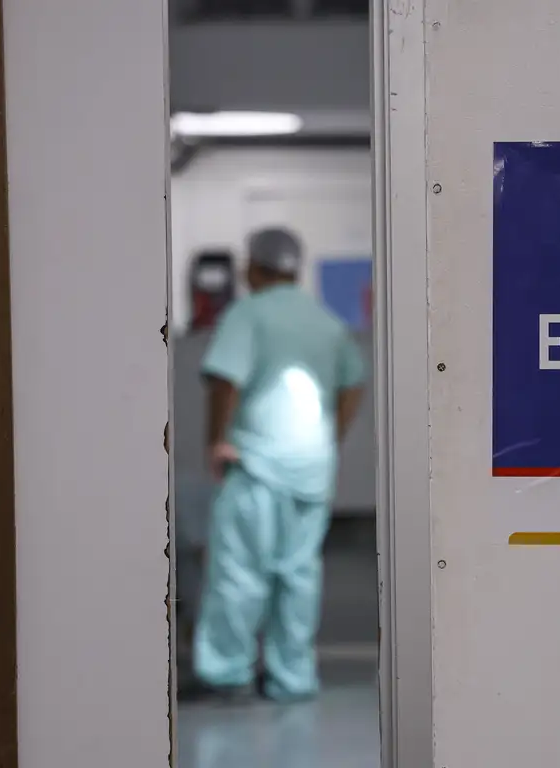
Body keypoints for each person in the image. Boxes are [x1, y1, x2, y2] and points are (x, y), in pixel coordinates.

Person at [190, 227, 365, 703]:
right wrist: (331, 436)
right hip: (312, 468)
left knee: (240, 572)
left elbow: (225, 380)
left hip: (257, 463)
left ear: (252, 266)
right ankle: (292, 678)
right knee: (298, 575)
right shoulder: (325, 321)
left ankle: (226, 672)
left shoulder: (247, 314)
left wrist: (216, 440)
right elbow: (353, 383)